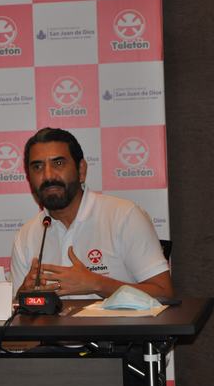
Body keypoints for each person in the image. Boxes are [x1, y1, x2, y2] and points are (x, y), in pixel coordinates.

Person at [11, 127, 173, 300]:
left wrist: (97, 284)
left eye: (58, 163)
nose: (48, 175)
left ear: (81, 170)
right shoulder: (26, 235)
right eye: (37, 167)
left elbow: (164, 294)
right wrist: (23, 294)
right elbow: (12, 311)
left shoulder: (124, 216)